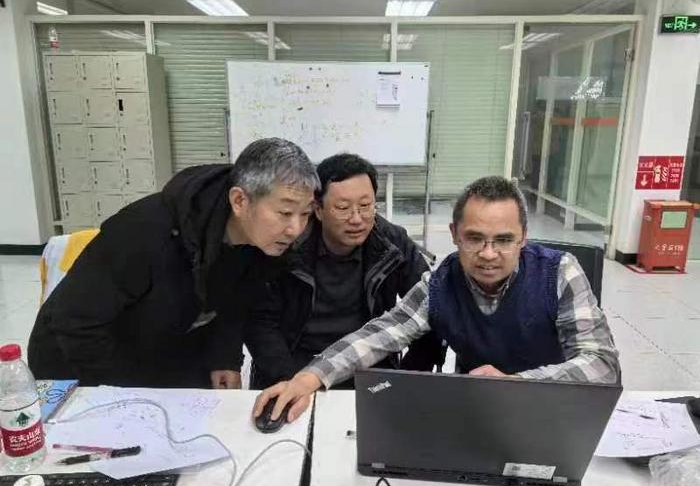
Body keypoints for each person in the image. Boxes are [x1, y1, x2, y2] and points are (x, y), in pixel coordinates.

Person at [253, 175, 621, 423]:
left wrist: (518, 385)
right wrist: (309, 378)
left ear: (524, 237)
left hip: (551, 411)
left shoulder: (560, 272)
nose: (489, 254)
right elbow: (382, 332)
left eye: (504, 240)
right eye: (475, 238)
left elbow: (603, 366)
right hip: (480, 413)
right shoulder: (441, 283)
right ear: (455, 235)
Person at [28, 138, 319, 389]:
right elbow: (75, 324)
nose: (295, 229)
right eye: (285, 212)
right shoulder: (144, 232)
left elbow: (235, 300)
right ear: (240, 200)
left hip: (164, 346)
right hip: (76, 363)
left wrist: (224, 356)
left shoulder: (260, 244)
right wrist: (133, 395)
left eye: (305, 214)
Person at [245, 153, 442, 389]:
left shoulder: (392, 243)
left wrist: (406, 378)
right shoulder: (287, 242)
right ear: (318, 209)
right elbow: (260, 321)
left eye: (366, 206)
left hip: (370, 366)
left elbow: (432, 307)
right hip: (296, 366)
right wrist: (288, 383)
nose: (357, 219)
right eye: (343, 207)